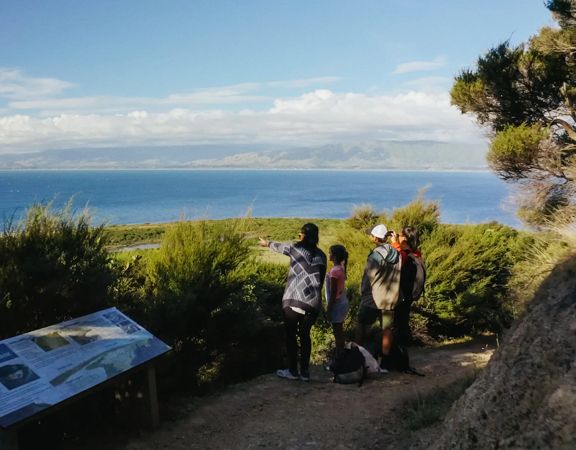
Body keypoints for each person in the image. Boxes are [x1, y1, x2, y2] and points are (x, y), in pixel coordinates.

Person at [259, 223, 327, 381]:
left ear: (303, 235)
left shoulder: (296, 250)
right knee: (305, 336)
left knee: (290, 336)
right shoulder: (322, 256)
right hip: (313, 303)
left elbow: (280, 247)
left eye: (300, 234)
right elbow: (321, 279)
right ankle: (305, 372)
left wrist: (266, 243)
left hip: (293, 300)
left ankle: (292, 371)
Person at [355, 224, 402, 371]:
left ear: (375, 238)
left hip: (373, 298)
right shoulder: (396, 253)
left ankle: (357, 359)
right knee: (387, 329)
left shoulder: (375, 256)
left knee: (361, 325)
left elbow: (368, 278)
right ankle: (385, 362)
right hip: (390, 298)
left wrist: (362, 292)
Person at [391, 227, 423, 346]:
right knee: (403, 320)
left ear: (404, 238)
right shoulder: (416, 253)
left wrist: (394, 243)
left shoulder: (405, 254)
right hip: (410, 292)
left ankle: (399, 350)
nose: (398, 236)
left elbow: (395, 259)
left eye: (399, 235)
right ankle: (404, 345)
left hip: (402, 293)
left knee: (398, 322)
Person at [325, 244, 349, 357]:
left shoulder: (334, 271)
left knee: (337, 332)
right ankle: (341, 355)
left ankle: (340, 357)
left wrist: (329, 309)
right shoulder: (340, 268)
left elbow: (333, 293)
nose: (328, 254)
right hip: (342, 302)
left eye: (330, 253)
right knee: (339, 331)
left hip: (337, 304)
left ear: (334, 256)